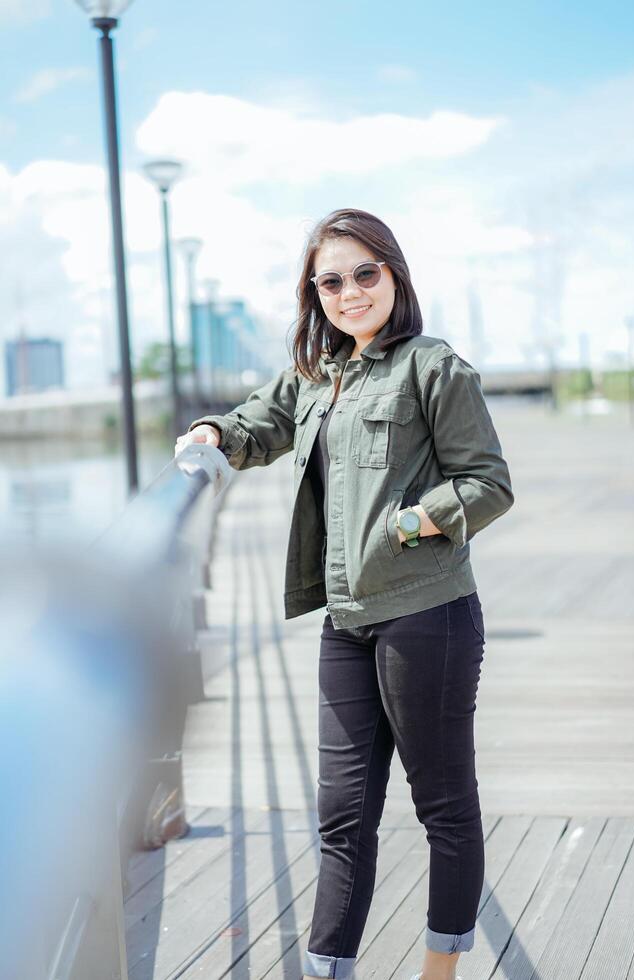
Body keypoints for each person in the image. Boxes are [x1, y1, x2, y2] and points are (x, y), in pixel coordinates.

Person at [175, 208, 514, 980]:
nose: (350, 291)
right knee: (343, 816)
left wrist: (410, 525)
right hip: (347, 623)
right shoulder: (318, 374)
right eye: (332, 280)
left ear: (394, 274)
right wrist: (212, 434)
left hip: (427, 616)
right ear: (314, 294)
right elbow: (259, 423)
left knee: (444, 809)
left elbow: (488, 484)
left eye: (366, 272)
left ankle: (441, 971)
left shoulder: (433, 367)